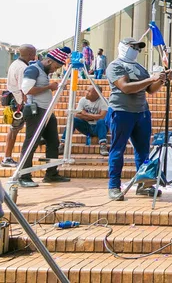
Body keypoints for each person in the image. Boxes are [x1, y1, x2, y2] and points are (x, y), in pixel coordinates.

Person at [105, 38, 172, 200]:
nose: (136, 50)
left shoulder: (139, 67)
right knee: (117, 149)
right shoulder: (116, 66)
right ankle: (114, 186)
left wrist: (161, 79)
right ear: (123, 48)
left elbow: (150, 90)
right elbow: (125, 88)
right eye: (133, 47)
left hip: (141, 112)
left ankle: (143, 184)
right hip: (121, 111)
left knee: (143, 151)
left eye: (138, 48)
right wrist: (151, 78)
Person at [19, 47, 72, 187]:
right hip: (35, 111)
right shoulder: (33, 70)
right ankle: (23, 176)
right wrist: (49, 87)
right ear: (49, 61)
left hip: (46, 111)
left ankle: (51, 173)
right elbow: (27, 89)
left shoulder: (43, 70)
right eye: (55, 66)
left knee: (53, 142)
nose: (55, 70)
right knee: (31, 143)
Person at [3, 44, 37, 167]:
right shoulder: (23, 68)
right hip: (19, 103)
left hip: (15, 100)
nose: (35, 55)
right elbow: (24, 89)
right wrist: (26, 103)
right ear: (29, 54)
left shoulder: (15, 63)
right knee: (14, 130)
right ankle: (7, 158)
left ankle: (7, 157)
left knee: (14, 129)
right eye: (34, 53)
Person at [58, 85, 109, 156]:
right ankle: (63, 144)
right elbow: (77, 114)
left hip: (99, 128)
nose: (86, 93)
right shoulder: (83, 100)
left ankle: (103, 145)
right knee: (74, 119)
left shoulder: (104, 101)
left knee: (101, 121)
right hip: (86, 126)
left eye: (89, 91)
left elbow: (102, 116)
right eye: (87, 90)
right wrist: (92, 117)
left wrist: (85, 114)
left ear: (97, 93)